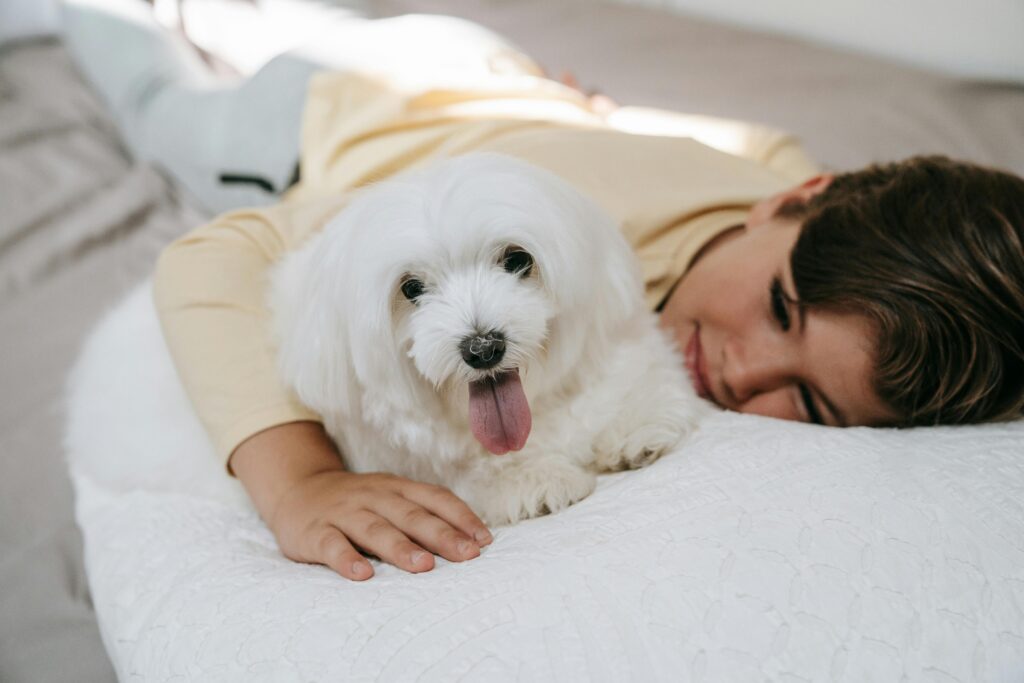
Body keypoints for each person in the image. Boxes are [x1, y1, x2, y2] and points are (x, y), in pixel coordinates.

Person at [60, 0, 1024, 581]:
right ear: (798, 200)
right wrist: (300, 480)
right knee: (159, 88)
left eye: (807, 399)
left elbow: (751, 151)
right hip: (321, 122)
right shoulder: (525, 236)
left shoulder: (776, 173)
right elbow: (210, 257)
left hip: (477, 70)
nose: (738, 369)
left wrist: (581, 117)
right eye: (780, 308)